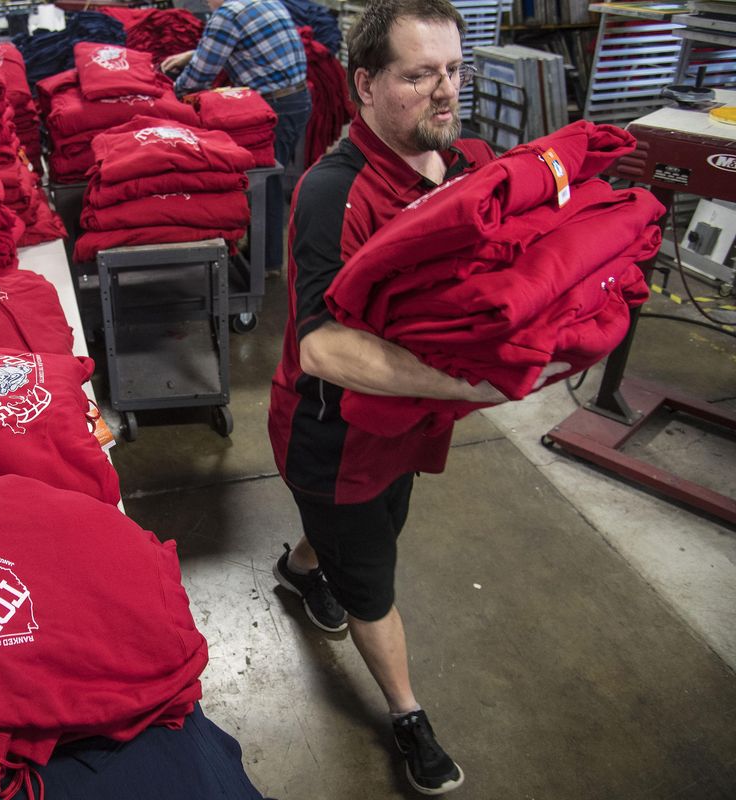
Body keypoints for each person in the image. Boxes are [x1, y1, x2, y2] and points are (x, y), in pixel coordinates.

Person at [266, 0, 565, 793]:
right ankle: (406, 713)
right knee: (374, 582)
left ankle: (304, 568)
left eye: (453, 71)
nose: (444, 92)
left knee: (370, 530)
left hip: (405, 424)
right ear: (363, 84)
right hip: (333, 435)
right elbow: (322, 346)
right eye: (418, 75)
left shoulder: (461, 166)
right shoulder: (336, 191)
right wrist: (471, 381)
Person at [159, 0, 309, 273]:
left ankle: (266, 262)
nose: (205, 2)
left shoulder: (226, 15)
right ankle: (265, 254)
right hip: (297, 99)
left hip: (275, 105)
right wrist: (194, 53)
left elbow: (199, 77)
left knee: (266, 184)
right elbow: (244, 44)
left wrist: (166, 96)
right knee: (270, 180)